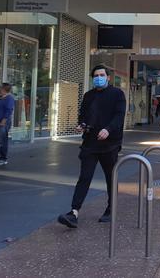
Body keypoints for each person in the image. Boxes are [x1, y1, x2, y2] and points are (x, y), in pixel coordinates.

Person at [58, 65, 126, 228]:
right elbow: (83, 115)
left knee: (111, 178)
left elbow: (119, 116)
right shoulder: (89, 96)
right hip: (90, 144)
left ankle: (111, 208)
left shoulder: (117, 94)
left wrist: (108, 130)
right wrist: (82, 124)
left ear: (108, 77)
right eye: (95, 75)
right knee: (84, 177)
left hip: (110, 144)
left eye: (102, 75)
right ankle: (74, 212)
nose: (98, 78)